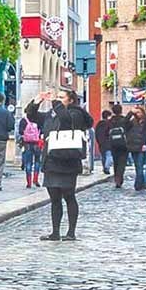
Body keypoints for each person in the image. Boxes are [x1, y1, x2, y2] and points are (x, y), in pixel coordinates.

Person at [39, 90, 93, 240]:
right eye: (58, 97)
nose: (58, 99)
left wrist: (55, 103)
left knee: (69, 196)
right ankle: (55, 232)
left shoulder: (77, 114)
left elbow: (66, 120)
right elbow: (33, 116)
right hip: (51, 160)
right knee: (54, 198)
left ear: (71, 100)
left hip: (68, 161)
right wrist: (37, 101)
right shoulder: (52, 114)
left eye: (61, 97)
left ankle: (71, 232)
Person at [95, 103, 126, 181]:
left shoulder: (108, 122)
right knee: (118, 161)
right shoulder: (122, 120)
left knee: (112, 160)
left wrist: (99, 142)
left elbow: (99, 133)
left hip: (110, 144)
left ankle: (114, 175)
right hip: (120, 144)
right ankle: (109, 170)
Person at [18, 99, 45, 188]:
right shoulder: (38, 119)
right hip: (37, 143)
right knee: (37, 161)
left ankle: (29, 182)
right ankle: (35, 180)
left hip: (27, 144)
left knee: (28, 163)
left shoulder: (23, 120)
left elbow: (20, 132)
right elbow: (42, 130)